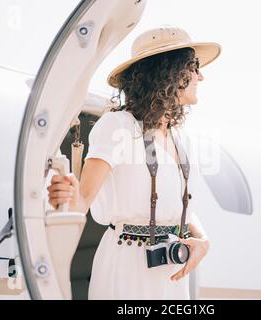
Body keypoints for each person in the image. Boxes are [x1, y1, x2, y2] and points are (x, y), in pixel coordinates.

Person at [47, 25, 221, 299]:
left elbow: (179, 206)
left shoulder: (179, 138)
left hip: (170, 273)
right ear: (170, 72)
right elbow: (82, 200)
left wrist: (203, 241)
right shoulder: (117, 126)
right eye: (194, 66)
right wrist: (66, 195)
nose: (201, 76)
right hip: (127, 267)